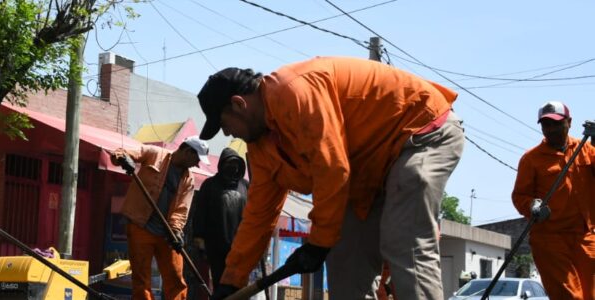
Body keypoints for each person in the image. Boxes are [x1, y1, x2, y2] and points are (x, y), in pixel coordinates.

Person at [196, 57, 465, 300]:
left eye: (224, 125)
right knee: (345, 259)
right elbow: (258, 215)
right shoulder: (260, 149)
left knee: (404, 241)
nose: (229, 134)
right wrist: (231, 282)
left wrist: (318, 242)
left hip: (420, 132)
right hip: (366, 172)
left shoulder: (293, 92)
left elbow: (332, 170)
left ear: (238, 104)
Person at [511, 101, 595, 300]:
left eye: (557, 123)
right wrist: (532, 206)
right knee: (569, 296)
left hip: (586, 237)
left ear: (569, 122)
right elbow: (520, 196)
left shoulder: (587, 150)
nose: (551, 129)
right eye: (546, 124)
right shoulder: (531, 159)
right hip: (550, 239)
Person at [111, 136, 210, 300]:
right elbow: (122, 152)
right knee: (141, 279)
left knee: (176, 279)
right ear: (187, 151)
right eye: (196, 159)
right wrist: (124, 159)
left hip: (167, 234)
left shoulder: (188, 179)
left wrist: (176, 232)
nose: (196, 164)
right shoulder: (154, 154)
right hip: (140, 227)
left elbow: (181, 210)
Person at [191, 147, 248, 289]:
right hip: (216, 247)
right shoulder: (210, 185)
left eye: (236, 164)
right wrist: (199, 239)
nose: (233, 167)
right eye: (229, 164)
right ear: (222, 164)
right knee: (220, 285)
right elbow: (200, 213)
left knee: (239, 286)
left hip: (241, 248)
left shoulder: (246, 186)